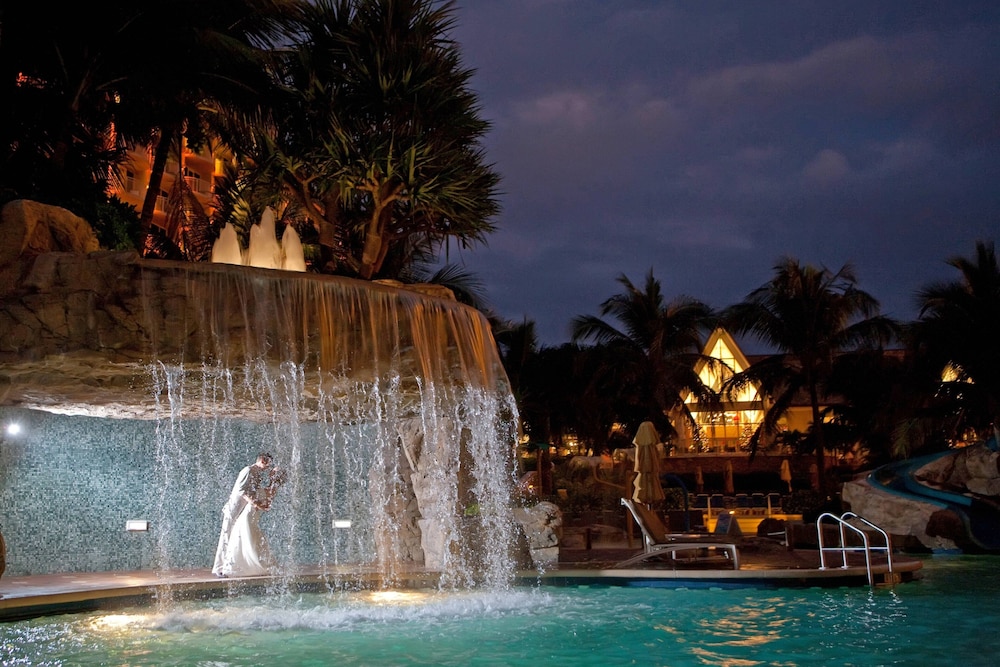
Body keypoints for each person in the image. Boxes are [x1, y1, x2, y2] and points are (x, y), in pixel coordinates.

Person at [212, 452, 274, 577]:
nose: (268, 467)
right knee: (226, 535)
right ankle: (218, 568)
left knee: (233, 536)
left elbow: (253, 490)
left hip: (242, 507)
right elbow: (242, 491)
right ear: (262, 460)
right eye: (268, 464)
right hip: (234, 507)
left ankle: (227, 566)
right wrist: (256, 503)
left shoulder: (258, 474)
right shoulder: (248, 470)